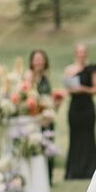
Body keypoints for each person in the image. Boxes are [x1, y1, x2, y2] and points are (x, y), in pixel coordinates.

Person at [63, 43, 96, 179]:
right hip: (75, 107)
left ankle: (90, 169)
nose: (81, 54)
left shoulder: (92, 69)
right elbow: (67, 88)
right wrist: (73, 89)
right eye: (79, 52)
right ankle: (74, 170)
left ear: (87, 54)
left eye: (83, 52)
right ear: (75, 53)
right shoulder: (69, 70)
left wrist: (83, 89)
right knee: (75, 137)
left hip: (87, 107)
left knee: (88, 136)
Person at [28, 49, 58, 184]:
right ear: (32, 62)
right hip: (35, 120)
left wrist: (55, 102)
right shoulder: (29, 78)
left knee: (49, 147)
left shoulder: (46, 78)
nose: (39, 62)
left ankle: (48, 178)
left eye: (41, 59)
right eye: (36, 59)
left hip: (47, 118)